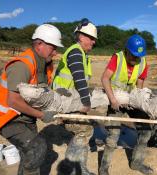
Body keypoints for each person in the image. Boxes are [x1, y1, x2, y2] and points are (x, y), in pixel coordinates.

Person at [0, 24, 64, 175]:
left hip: (26, 118)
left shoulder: (45, 65)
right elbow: (13, 101)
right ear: (39, 44)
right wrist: (42, 115)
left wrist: (55, 94)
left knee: (27, 154)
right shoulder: (22, 65)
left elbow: (40, 92)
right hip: (8, 119)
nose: (55, 52)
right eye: (53, 47)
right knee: (37, 148)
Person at [99, 34, 154, 175]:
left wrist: (140, 103)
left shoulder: (143, 62)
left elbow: (139, 85)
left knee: (146, 131)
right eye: (133, 56)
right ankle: (104, 168)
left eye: (138, 56)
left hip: (132, 100)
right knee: (113, 134)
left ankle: (136, 163)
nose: (136, 59)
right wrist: (113, 100)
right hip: (116, 99)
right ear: (126, 50)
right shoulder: (117, 58)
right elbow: (105, 78)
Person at [52, 18, 97, 175]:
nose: (93, 42)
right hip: (64, 100)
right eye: (91, 38)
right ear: (81, 36)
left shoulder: (83, 54)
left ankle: (80, 169)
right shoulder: (76, 52)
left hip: (70, 100)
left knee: (86, 129)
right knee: (84, 130)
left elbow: (82, 80)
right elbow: (79, 78)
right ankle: (71, 169)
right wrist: (86, 102)